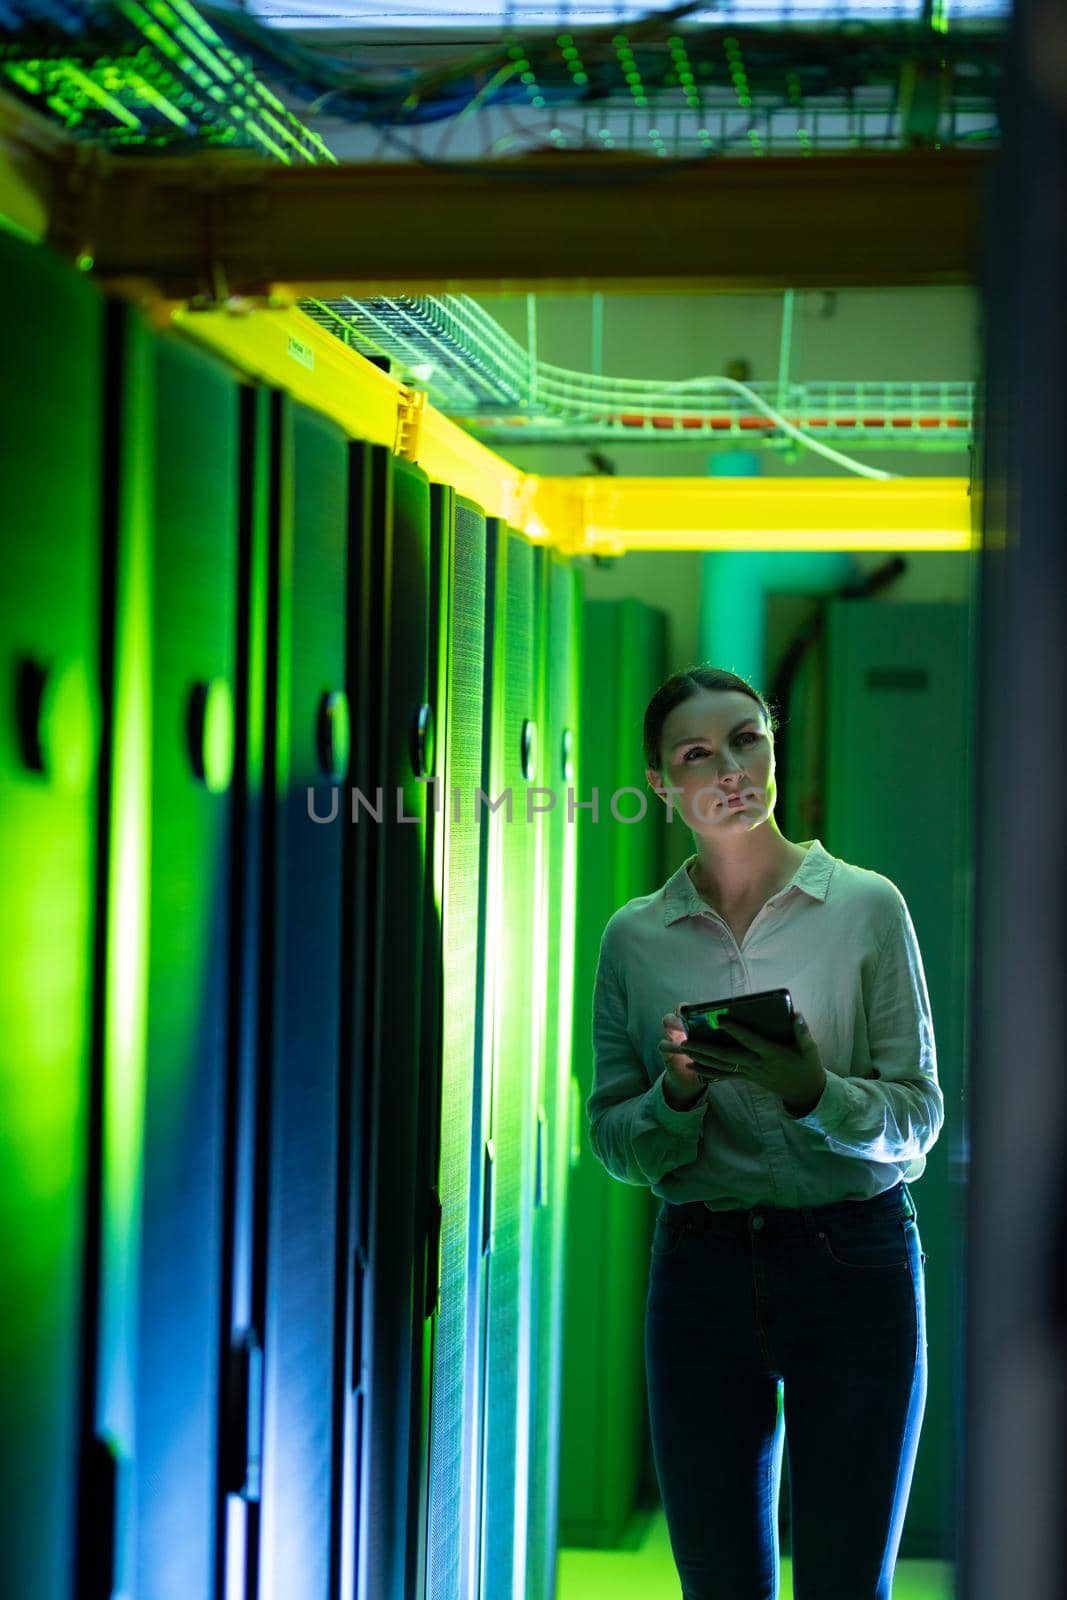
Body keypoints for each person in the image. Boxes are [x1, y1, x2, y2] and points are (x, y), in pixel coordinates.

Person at [586, 665, 943, 1600]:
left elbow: (918, 1121)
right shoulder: (634, 938)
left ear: (773, 745)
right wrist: (673, 1096)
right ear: (661, 785)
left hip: (854, 1266)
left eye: (746, 738)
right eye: (696, 754)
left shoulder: (867, 907)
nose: (729, 767)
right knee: (717, 1583)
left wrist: (812, 1090)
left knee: (843, 1581)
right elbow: (613, 1139)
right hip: (700, 1269)